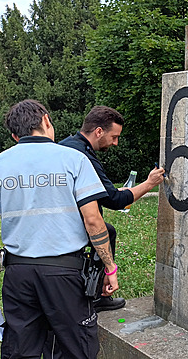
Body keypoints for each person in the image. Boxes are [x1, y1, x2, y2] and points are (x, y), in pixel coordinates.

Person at [0, 99, 119, 358]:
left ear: (15, 134)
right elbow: (94, 221)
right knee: (77, 349)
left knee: (20, 350)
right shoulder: (74, 160)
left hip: (18, 275)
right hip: (65, 274)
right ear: (46, 120)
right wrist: (110, 267)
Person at [59, 105, 164, 312]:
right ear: (99, 131)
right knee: (106, 232)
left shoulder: (65, 145)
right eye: (114, 137)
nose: (115, 143)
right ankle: (98, 296)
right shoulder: (84, 156)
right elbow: (114, 200)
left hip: (53, 222)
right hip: (68, 226)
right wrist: (149, 184)